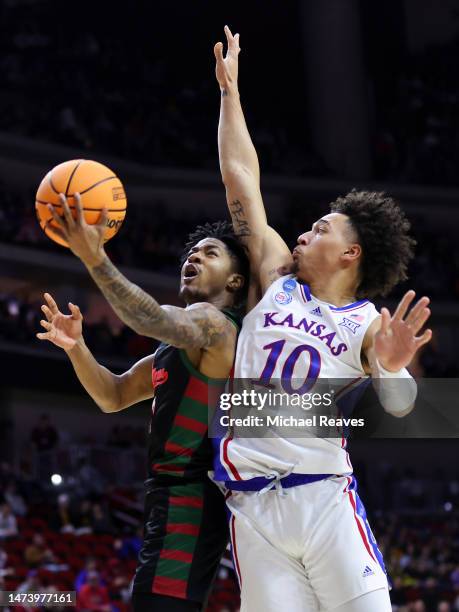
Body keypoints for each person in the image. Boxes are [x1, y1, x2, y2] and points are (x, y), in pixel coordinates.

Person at [212, 26, 433, 612]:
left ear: (351, 253)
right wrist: (230, 94)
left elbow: (402, 405)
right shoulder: (274, 274)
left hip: (325, 502)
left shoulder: (368, 323)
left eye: (323, 229)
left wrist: (388, 370)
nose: (306, 231)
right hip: (252, 509)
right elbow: (242, 180)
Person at [37, 209, 249, 611]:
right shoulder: (171, 352)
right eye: (191, 252)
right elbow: (112, 396)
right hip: (170, 499)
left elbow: (149, 318)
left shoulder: (218, 327)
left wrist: (95, 259)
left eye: (210, 253)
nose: (194, 257)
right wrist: (76, 348)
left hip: (192, 498)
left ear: (235, 280)